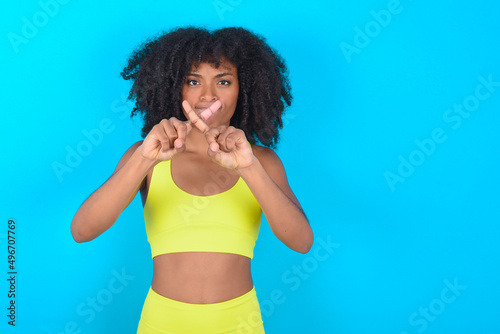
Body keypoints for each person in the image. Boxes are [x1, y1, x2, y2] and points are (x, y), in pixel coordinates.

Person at [71, 26, 313, 334]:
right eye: (193, 81)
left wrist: (248, 168)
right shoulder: (147, 156)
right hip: (161, 323)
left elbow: (302, 242)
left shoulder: (261, 162)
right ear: (175, 88)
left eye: (223, 81)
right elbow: (82, 230)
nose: (208, 95)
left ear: (244, 89)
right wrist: (144, 158)